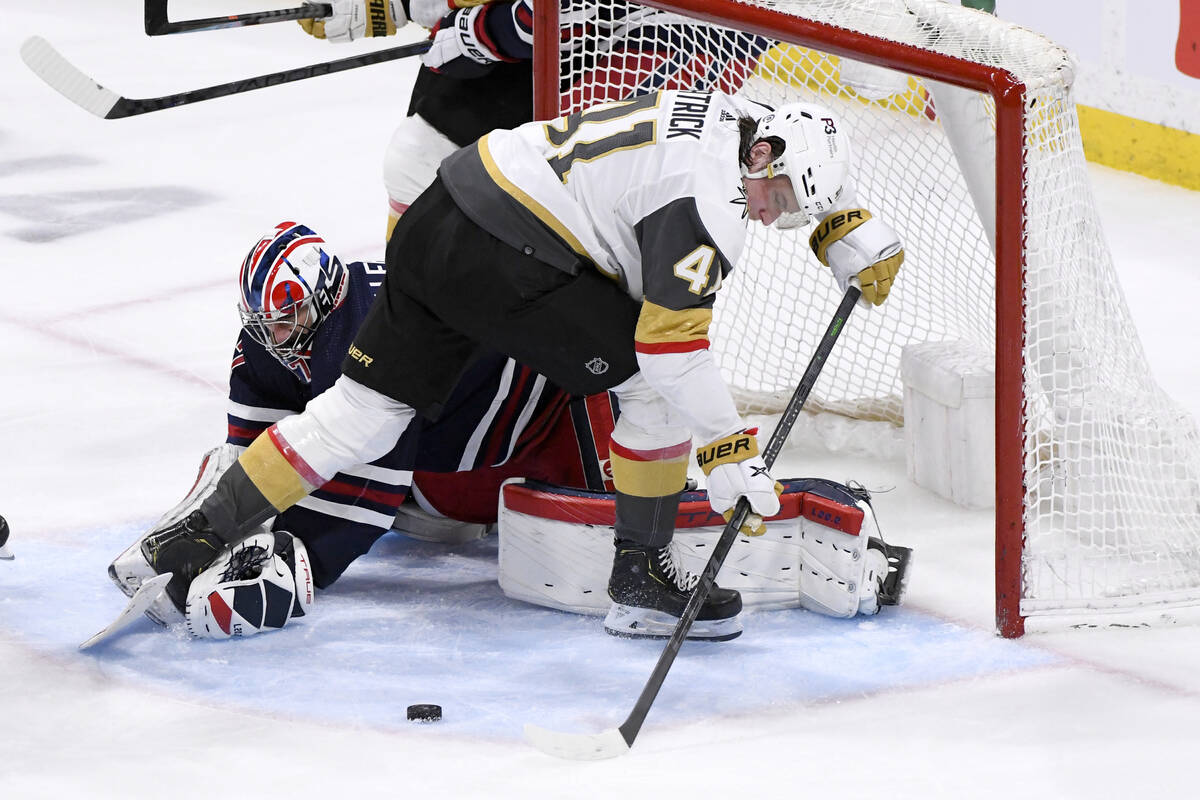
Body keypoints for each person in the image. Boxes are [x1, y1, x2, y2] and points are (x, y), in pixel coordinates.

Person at [142, 89, 905, 643]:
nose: (770, 215)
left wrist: (839, 225)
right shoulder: (712, 211)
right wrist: (728, 446)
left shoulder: (730, 116)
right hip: (506, 261)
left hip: (441, 210)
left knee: (363, 412)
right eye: (776, 198)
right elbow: (670, 353)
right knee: (648, 385)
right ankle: (642, 580)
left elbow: (791, 144)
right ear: (761, 158)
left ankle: (191, 539)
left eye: (789, 211)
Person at [110, 221, 617, 636]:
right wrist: (214, 528)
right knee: (244, 467)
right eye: (263, 322)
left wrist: (291, 554)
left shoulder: (373, 335)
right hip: (449, 446)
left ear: (327, 297)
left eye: (287, 319)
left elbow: (366, 495)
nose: (274, 337)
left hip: (549, 424)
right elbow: (251, 451)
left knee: (587, 566)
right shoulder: (273, 334)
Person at [299, 0, 768, 238]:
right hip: (576, 31)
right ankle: (410, 326)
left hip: (670, 39)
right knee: (420, 156)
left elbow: (567, 11)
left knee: (581, 205)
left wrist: (484, 32)